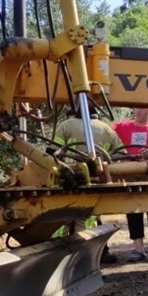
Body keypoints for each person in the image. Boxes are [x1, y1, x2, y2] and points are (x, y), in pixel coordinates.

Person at [54, 109, 123, 264]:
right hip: (98, 182)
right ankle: (99, 251)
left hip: (70, 180)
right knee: (92, 215)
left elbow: (51, 152)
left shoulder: (66, 125)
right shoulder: (107, 129)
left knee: (70, 217)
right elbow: (121, 154)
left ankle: (70, 255)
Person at [113, 108, 148, 264]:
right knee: (133, 212)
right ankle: (138, 249)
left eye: (141, 107)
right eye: (135, 107)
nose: (137, 111)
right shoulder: (121, 126)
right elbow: (106, 136)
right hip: (130, 176)